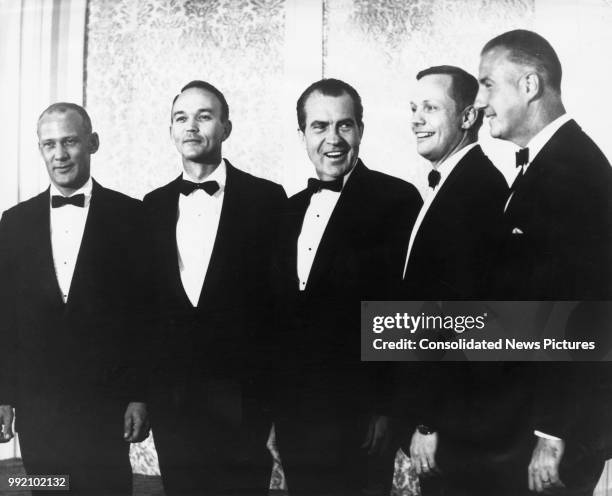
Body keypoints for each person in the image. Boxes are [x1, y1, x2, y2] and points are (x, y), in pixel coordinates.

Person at [476, 29, 612, 495]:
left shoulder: (574, 172)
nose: (480, 102)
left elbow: (585, 313)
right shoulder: (550, 163)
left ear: (530, 85)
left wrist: (552, 433)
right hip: (532, 422)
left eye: (488, 84)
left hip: (552, 434)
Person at [273, 78, 422, 496]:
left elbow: (403, 311)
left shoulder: (397, 200)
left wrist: (386, 408)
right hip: (294, 416)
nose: (333, 139)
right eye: (319, 127)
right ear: (302, 133)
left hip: (361, 416)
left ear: (361, 129)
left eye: (345, 125)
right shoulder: (287, 211)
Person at [143, 80, 286, 495]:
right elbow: (144, 307)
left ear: (226, 127)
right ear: (171, 129)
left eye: (204, 116)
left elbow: (278, 305)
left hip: (243, 393)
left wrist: (272, 397)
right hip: (172, 394)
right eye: (181, 118)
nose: (191, 127)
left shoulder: (267, 199)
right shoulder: (151, 205)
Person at [0, 103, 149, 495]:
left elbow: (144, 316)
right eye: (50, 144)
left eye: (70, 142)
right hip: (38, 405)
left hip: (106, 403)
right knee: (45, 488)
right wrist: (3, 395)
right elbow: (6, 316)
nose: (60, 154)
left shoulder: (133, 217)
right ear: (40, 150)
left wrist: (139, 394)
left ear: (92, 143)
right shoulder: (13, 222)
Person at [400, 66, 521, 496]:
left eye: (430, 108)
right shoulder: (453, 184)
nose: (416, 119)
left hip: (456, 427)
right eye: (414, 108)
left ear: (468, 118)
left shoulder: (475, 191)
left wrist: (430, 421)